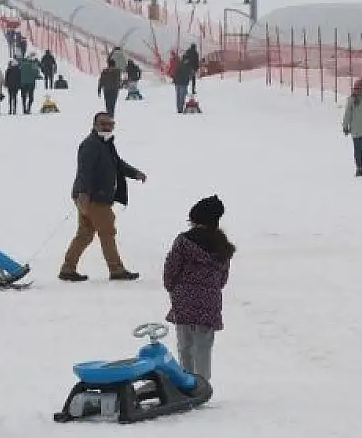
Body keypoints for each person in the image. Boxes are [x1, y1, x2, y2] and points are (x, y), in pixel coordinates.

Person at [60, 112, 146, 282]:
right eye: (103, 124)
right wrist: (83, 194)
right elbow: (85, 171)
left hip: (92, 197)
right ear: (94, 125)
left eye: (110, 124)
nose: (107, 127)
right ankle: (117, 270)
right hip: (94, 198)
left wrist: (134, 173)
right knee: (107, 232)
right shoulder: (91, 145)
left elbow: (117, 163)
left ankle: (68, 268)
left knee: (85, 234)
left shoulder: (105, 143)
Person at [163, 195, 235, 380]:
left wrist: (171, 286)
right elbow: (223, 278)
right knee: (203, 347)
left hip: (183, 300)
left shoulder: (183, 241)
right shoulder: (222, 246)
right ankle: (202, 384)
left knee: (184, 344)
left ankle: (186, 382)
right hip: (209, 302)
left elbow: (171, 267)